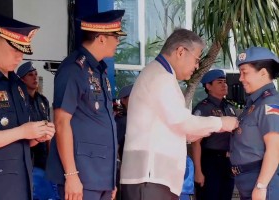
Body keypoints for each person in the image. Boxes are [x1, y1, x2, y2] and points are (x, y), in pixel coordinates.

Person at [119, 28, 239, 200]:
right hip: (150, 178)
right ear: (181, 51)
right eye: (197, 59)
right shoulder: (161, 77)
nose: (197, 66)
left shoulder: (160, 74)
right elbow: (182, 122)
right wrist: (221, 123)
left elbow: (185, 131)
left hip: (153, 178)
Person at [46, 10, 127, 200]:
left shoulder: (99, 71)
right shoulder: (73, 70)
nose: (118, 42)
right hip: (81, 176)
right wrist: (71, 175)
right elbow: (61, 122)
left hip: (100, 177)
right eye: (115, 37)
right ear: (100, 38)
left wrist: (110, 181)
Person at [0, 14, 55, 200]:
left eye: (22, 51)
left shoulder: (18, 86)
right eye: (14, 50)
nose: (19, 56)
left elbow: (22, 140)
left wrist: (37, 135)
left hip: (22, 184)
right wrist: (22, 132)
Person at [230, 46, 279, 200]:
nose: (240, 78)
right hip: (248, 180)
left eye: (244, 72)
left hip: (262, 180)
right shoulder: (254, 103)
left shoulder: (269, 103)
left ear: (263, 73)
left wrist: (261, 186)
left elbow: (274, 148)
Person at [17, 61, 60, 200]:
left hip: (42, 159)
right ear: (22, 79)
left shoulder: (43, 101)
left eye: (36, 74)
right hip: (25, 158)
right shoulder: (18, 100)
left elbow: (48, 131)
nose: (35, 78)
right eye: (30, 75)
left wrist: (50, 158)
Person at [191, 69, 236, 200]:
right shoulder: (203, 108)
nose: (224, 85)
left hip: (228, 162)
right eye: (220, 82)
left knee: (226, 196)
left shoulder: (230, 107)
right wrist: (198, 172)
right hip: (210, 162)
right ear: (208, 86)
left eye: (225, 82)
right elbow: (195, 143)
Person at [115, 84, 133, 200]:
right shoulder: (122, 121)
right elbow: (115, 148)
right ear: (123, 100)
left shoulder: (140, 118)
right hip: (127, 172)